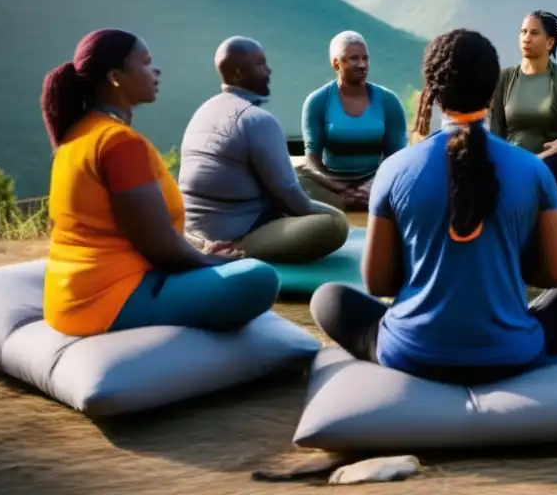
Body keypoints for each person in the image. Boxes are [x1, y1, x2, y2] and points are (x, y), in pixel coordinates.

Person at [310, 29, 557, 385]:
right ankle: (507, 326)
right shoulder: (532, 169)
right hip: (512, 353)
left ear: (433, 93)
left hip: (412, 353)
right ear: (493, 89)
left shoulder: (394, 169)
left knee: (328, 299)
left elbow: (377, 282)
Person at [40, 29, 280, 338]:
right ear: (115, 76)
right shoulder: (118, 143)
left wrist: (200, 248)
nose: (156, 70)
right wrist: (210, 260)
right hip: (110, 300)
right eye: (145, 62)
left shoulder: (78, 135)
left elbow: (134, 230)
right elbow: (158, 246)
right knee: (259, 278)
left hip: (70, 299)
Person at [179, 37, 349, 265]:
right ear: (239, 73)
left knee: (312, 182)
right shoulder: (256, 120)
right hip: (233, 233)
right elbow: (292, 198)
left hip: (193, 226)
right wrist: (326, 212)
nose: (268, 71)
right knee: (335, 224)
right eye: (260, 65)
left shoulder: (205, 109)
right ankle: (231, 252)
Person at [298, 31, 409, 211]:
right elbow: (312, 161)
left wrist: (371, 187)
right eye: (353, 59)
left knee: (410, 178)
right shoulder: (318, 101)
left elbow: (397, 158)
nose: (362, 65)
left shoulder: (388, 101)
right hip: (331, 184)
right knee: (297, 179)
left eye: (365, 58)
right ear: (336, 64)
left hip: (377, 181)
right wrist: (343, 191)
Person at [489, 11, 557, 195]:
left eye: (534, 33)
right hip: (513, 162)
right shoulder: (504, 79)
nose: (526, 38)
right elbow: (495, 131)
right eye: (523, 31)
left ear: (550, 42)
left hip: (551, 161)